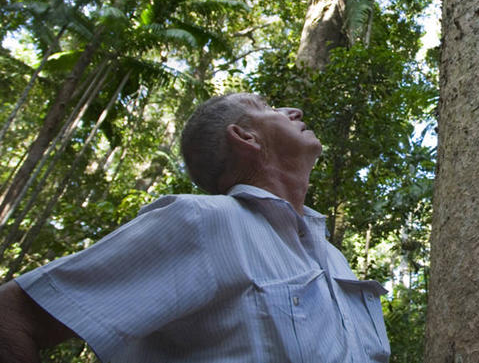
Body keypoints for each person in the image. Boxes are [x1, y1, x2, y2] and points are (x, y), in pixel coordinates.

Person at [0, 93, 391, 362]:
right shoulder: (203, 222)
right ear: (244, 136)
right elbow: (12, 315)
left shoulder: (336, 259)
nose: (294, 112)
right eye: (268, 106)